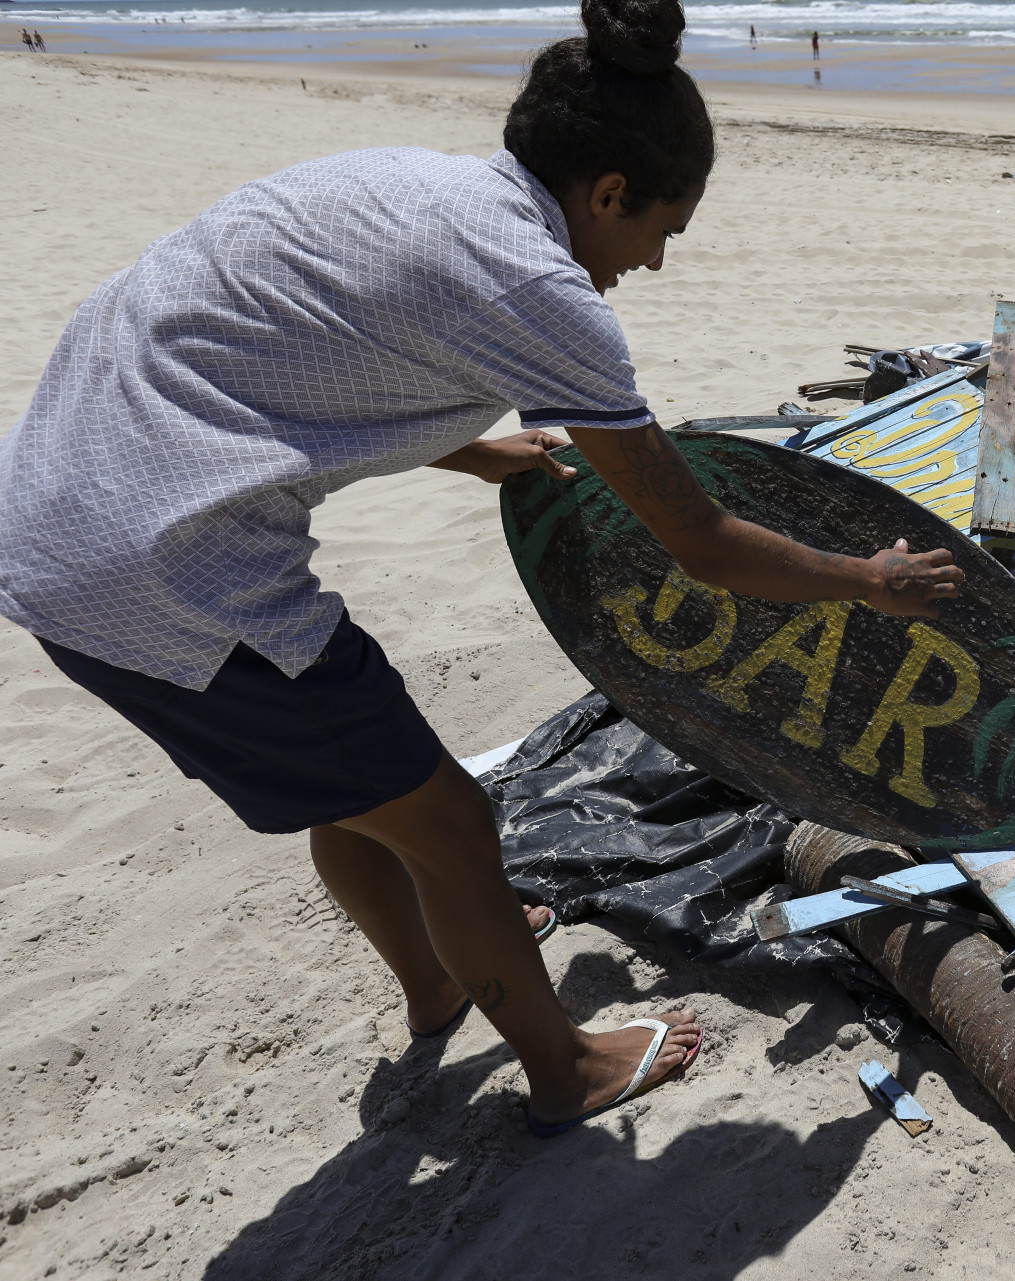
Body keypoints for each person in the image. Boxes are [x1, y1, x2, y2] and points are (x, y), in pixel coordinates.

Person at [0, 0, 962, 1140]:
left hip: (56, 508)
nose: (653, 261)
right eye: (662, 230)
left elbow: (316, 360)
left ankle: (436, 981)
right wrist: (867, 581)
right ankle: (567, 1070)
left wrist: (475, 451)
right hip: (163, 571)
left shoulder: (409, 185)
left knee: (362, 789)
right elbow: (698, 540)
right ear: (608, 192)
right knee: (453, 822)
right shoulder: (540, 291)